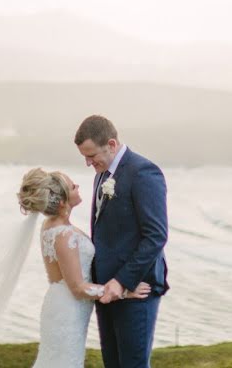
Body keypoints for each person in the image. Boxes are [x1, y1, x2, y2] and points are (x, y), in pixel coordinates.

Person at [17, 168, 151, 367]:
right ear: (62, 202)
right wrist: (122, 291)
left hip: (61, 304)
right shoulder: (64, 235)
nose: (77, 186)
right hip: (68, 310)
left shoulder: (50, 225)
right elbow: (78, 288)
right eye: (72, 186)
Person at [75, 115, 169, 368]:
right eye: (84, 157)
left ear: (112, 144)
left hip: (136, 289)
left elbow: (156, 235)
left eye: (91, 155)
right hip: (107, 291)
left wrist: (122, 281)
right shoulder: (101, 175)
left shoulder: (143, 172)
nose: (88, 162)